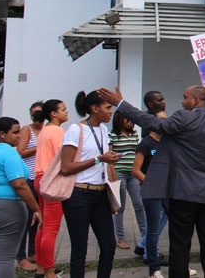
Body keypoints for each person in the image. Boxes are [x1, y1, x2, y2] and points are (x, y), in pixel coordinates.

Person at [98, 85, 205, 278]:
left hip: (183, 192)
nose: (181, 101)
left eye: (185, 97)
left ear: (195, 100)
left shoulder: (183, 117)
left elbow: (151, 122)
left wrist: (120, 104)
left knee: (180, 245)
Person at [59, 91, 122, 278]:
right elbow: (66, 167)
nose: (111, 111)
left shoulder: (104, 130)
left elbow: (106, 164)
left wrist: (113, 195)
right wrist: (97, 159)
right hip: (78, 194)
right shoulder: (76, 130)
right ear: (94, 108)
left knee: (109, 244)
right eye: (108, 107)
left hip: (101, 194)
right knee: (80, 248)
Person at [0, 117, 42, 278]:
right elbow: (19, 184)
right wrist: (36, 208)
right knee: (4, 259)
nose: (19, 136)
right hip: (7, 210)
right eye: (15, 132)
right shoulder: (8, 154)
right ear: (2, 134)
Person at [34, 99, 69, 278]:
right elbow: (63, 157)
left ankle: (41, 268)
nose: (66, 112)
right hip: (51, 182)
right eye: (63, 109)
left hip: (39, 179)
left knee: (43, 225)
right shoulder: (57, 131)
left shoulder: (44, 130)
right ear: (53, 114)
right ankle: (49, 273)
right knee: (51, 228)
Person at [131, 116, 165, 278]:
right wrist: (152, 183)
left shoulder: (166, 142)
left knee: (179, 228)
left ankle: (181, 265)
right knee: (153, 230)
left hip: (167, 192)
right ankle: (154, 269)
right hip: (151, 193)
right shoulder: (145, 144)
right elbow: (136, 170)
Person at [109, 112, 146, 252]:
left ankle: (145, 235)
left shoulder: (134, 134)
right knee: (120, 207)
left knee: (139, 204)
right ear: (119, 119)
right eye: (127, 119)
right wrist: (113, 176)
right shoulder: (112, 135)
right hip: (119, 173)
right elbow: (110, 157)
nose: (131, 121)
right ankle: (120, 238)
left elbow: (137, 153)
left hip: (133, 174)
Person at [16, 101, 43, 272]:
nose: (37, 117)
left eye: (39, 113)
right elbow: (20, 151)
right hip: (29, 179)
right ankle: (21, 256)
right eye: (34, 114)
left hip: (42, 179)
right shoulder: (27, 130)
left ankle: (33, 252)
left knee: (37, 218)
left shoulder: (48, 130)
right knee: (26, 219)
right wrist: (39, 147)